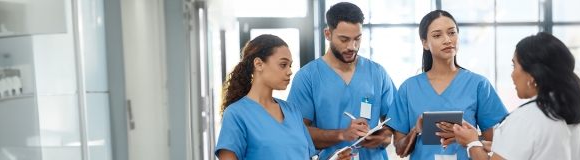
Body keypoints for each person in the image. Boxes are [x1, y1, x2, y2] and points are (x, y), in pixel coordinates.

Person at [385, 10, 509, 160]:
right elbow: (400, 150)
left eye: (452, 33)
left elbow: (495, 144)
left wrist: (468, 139)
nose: (447, 40)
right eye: (437, 35)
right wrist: (415, 131)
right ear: (425, 43)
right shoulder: (408, 88)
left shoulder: (478, 85)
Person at [453, 32, 580, 160]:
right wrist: (491, 146)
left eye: (514, 66)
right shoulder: (570, 113)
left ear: (531, 74)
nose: (512, 75)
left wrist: (471, 143)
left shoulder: (525, 119)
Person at [215, 34, 352, 160]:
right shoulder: (236, 114)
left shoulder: (292, 110)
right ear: (259, 64)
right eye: (283, 65)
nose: (289, 71)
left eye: (290, 65)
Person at [287, 2, 397, 159]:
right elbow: (298, 132)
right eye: (344, 39)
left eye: (357, 39)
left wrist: (384, 136)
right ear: (327, 34)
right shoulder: (307, 77)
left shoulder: (377, 73)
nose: (352, 46)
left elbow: (394, 125)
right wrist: (343, 134)